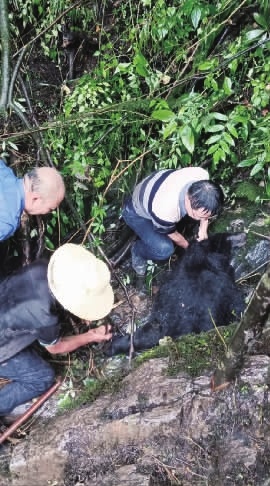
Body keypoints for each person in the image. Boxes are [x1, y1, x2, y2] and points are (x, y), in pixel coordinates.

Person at [0, 244, 114, 421]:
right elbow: (56, 348)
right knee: (42, 378)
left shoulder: (42, 267)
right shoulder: (45, 317)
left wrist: (81, 309)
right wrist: (92, 336)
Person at [122, 166, 224, 275]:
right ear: (190, 200)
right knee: (164, 249)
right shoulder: (165, 211)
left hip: (157, 186)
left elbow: (205, 211)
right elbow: (174, 236)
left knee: (193, 219)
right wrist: (192, 249)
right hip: (136, 212)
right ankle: (137, 251)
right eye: (199, 216)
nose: (202, 219)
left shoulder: (202, 176)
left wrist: (203, 228)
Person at [0, 159, 65, 241]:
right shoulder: (7, 222)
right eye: (49, 209)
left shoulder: (2, 167)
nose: (46, 213)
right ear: (35, 198)